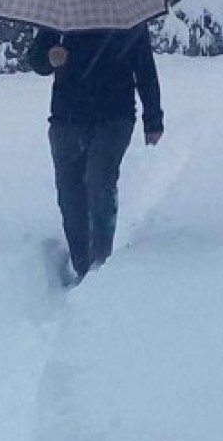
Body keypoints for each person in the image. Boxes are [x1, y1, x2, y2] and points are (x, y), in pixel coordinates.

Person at [28, 23, 164, 281]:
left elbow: (144, 67)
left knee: (100, 181)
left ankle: (100, 264)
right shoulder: (61, 15)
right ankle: (81, 262)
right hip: (67, 117)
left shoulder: (127, 16)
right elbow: (36, 59)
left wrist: (153, 118)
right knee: (70, 192)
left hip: (114, 116)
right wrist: (49, 58)